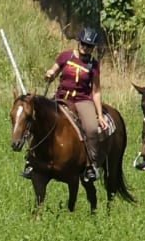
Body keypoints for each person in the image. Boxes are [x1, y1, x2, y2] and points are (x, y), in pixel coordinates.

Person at [42, 26, 112, 181]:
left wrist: (99, 115)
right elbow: (54, 70)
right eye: (84, 44)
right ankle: (31, 160)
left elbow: (96, 91)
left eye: (90, 46)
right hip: (61, 97)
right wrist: (50, 74)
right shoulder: (66, 56)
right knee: (39, 118)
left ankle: (90, 164)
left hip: (81, 100)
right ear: (79, 42)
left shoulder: (93, 65)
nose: (86, 48)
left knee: (92, 128)